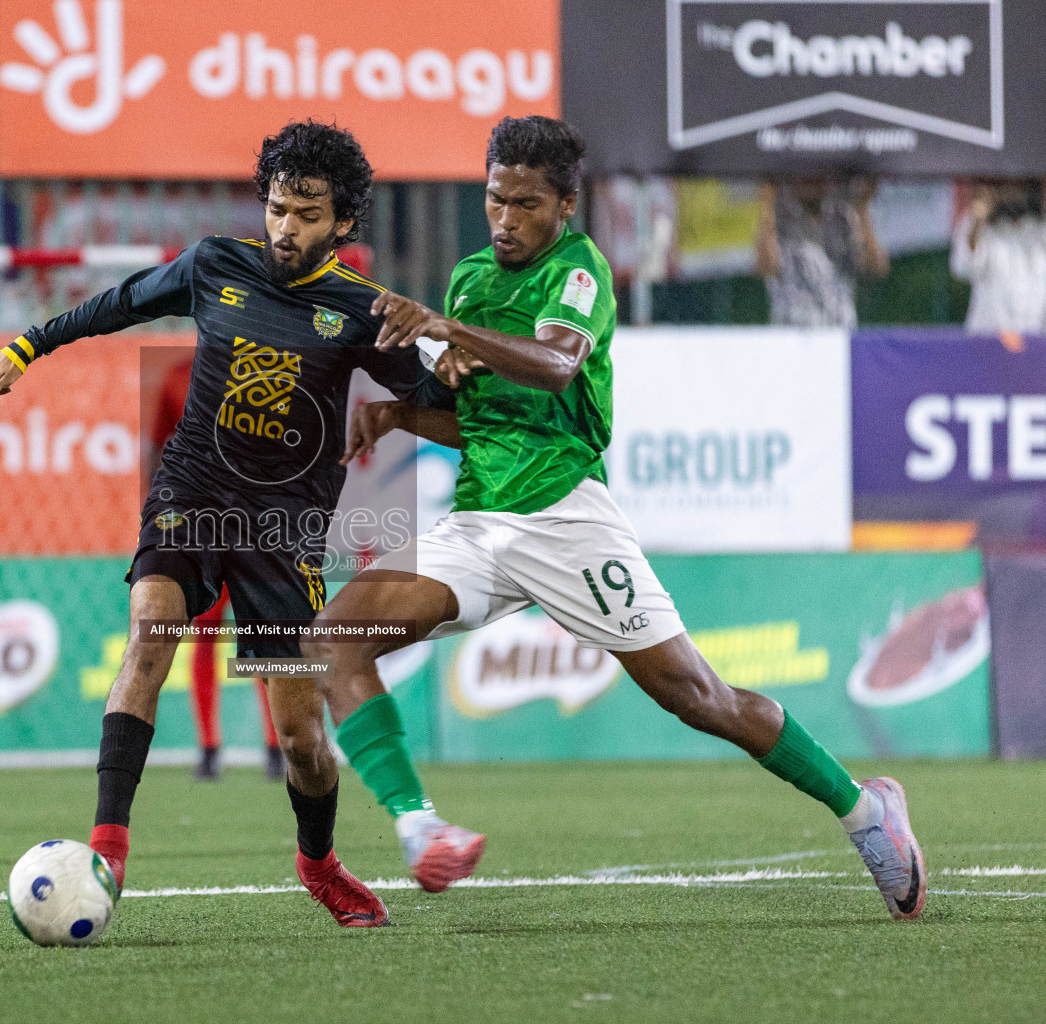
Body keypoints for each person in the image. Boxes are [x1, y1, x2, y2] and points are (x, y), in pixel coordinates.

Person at [305, 115, 928, 920]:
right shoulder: (468, 280)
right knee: (332, 637)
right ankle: (420, 829)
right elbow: (485, 422)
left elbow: (559, 368)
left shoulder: (580, 270)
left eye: (526, 204)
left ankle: (864, 808)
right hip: (481, 524)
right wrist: (399, 416)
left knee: (699, 697)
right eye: (495, 199)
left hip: (567, 517)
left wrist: (449, 329)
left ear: (565, 204)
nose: (505, 218)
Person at [0, 120, 473, 925]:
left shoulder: (363, 311)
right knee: (152, 628)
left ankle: (319, 863)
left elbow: (446, 408)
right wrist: (24, 348)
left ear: (342, 224)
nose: (285, 228)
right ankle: (109, 850)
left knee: (302, 740)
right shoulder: (215, 265)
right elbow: (117, 303)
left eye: (306, 215)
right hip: (191, 495)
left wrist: (445, 366)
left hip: (285, 528)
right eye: (276, 208)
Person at [152, 357, 284, 781]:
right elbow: (160, 451)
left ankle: (277, 745)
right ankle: (209, 747)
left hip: (253, 525)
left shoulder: (257, 375)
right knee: (206, 632)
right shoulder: (176, 375)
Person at [755, 177, 888, 328]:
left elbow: (875, 266)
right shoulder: (781, 218)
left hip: (839, 333)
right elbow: (765, 267)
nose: (815, 183)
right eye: (806, 177)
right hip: (791, 333)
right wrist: (767, 204)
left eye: (821, 177)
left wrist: (862, 207)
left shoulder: (843, 217)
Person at [950, 179, 1046, 335]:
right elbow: (963, 266)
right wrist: (977, 220)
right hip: (989, 341)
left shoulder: (1041, 230)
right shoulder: (980, 228)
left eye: (1017, 184)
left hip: (1035, 341)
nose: (1010, 191)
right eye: (1002, 185)